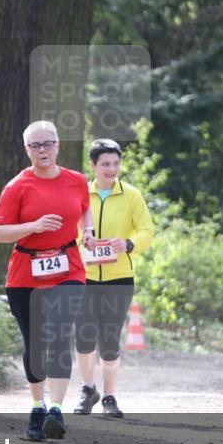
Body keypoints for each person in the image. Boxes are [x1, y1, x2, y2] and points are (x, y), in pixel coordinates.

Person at [0, 121, 97, 441]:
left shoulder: (76, 180)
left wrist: (88, 231)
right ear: (27, 150)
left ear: (58, 145)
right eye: (35, 146)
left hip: (68, 269)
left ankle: (56, 410)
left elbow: (84, 209)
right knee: (35, 344)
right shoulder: (17, 187)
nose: (43, 151)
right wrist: (34, 225)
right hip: (25, 272)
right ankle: (37, 407)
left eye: (48, 144)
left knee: (59, 333)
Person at [73, 139, 153, 418]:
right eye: (105, 164)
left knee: (109, 339)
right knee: (83, 335)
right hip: (85, 277)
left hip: (119, 278)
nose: (111, 169)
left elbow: (146, 232)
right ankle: (87, 389)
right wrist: (82, 238)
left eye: (115, 163)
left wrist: (128, 244)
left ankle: (109, 396)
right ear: (92, 165)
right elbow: (70, 231)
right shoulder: (80, 194)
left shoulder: (131, 196)